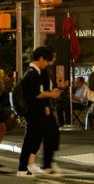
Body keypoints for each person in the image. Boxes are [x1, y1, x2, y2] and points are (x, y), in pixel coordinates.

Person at [17, 46, 62, 177]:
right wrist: (50, 95)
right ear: (41, 58)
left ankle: (27, 166)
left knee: (35, 137)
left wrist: (47, 97)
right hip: (34, 111)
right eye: (46, 60)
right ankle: (24, 168)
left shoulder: (33, 72)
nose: (47, 63)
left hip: (35, 111)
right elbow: (35, 94)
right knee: (34, 138)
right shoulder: (32, 73)